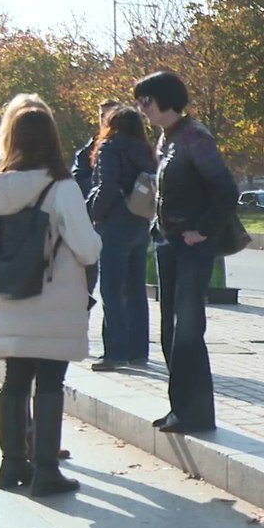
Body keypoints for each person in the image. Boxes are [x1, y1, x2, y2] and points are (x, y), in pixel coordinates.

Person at [0, 106, 102, 496]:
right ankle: (46, 470)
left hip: (10, 297)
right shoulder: (60, 187)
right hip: (53, 297)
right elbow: (87, 247)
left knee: (14, 380)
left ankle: (11, 463)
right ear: (51, 139)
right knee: (49, 380)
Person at [134, 71, 237, 434]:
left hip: (190, 245)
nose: (141, 108)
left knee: (188, 329)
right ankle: (179, 408)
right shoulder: (167, 139)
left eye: (145, 101)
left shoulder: (195, 138)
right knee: (170, 329)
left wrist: (203, 229)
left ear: (165, 100)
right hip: (168, 241)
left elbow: (225, 189)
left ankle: (195, 413)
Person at [87, 106, 157, 371]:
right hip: (140, 221)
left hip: (114, 222)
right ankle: (138, 351)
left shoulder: (110, 147)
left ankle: (114, 352)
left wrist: (93, 213)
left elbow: (107, 185)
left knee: (112, 289)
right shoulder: (145, 150)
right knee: (136, 289)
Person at [71, 100, 121, 197]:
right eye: (102, 115)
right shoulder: (90, 147)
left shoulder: (128, 146)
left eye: (109, 116)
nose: (104, 119)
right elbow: (78, 177)